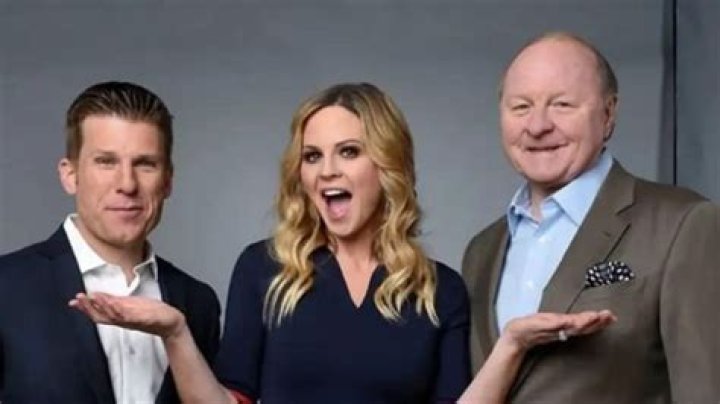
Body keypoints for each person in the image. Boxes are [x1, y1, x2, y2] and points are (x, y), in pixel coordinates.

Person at [70, 82, 615, 404]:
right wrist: (176, 332)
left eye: (349, 152)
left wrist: (512, 346)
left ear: (386, 164)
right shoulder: (263, 269)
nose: (327, 170)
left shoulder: (439, 289)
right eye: (313, 156)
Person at [462, 31, 720, 403]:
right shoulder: (482, 252)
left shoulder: (682, 225)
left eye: (562, 105)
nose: (537, 125)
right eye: (521, 107)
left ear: (608, 114)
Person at [0, 81, 221, 404]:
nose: (127, 184)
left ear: (168, 181)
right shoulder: (6, 287)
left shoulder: (198, 304)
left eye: (145, 164)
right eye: (106, 162)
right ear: (70, 175)